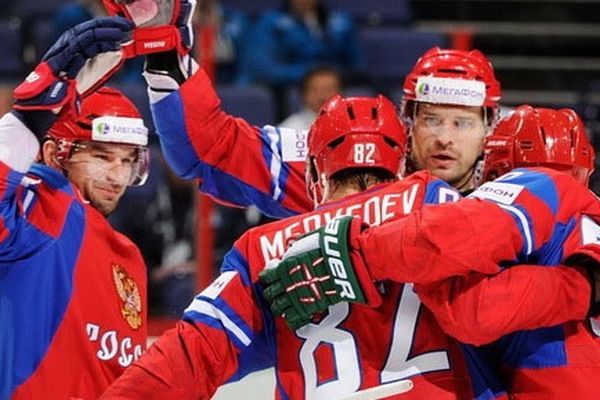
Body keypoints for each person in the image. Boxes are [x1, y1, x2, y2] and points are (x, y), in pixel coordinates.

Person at [101, 95, 506, 399]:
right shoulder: (443, 203)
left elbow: (190, 355)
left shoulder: (263, 248)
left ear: (313, 170)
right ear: (400, 165)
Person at [261, 105, 600, 398]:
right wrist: (581, 286)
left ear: (495, 167)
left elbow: (472, 306)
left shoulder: (540, 184)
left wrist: (355, 256)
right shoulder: (584, 223)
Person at [0, 17, 153, 399]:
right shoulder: (40, 206)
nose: (117, 175)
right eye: (101, 156)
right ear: (54, 155)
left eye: (127, 160)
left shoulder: (130, 256)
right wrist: (29, 119)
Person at [241, 0, 364, 87]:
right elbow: (264, 69)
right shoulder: (270, 22)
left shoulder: (341, 22)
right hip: (289, 87)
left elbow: (357, 65)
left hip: (336, 83)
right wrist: (309, 74)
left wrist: (333, 76)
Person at [279, 65, 342, 131]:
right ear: (304, 94)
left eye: (329, 90)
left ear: (341, 93)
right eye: (315, 90)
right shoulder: (289, 128)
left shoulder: (348, 126)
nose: (322, 96)